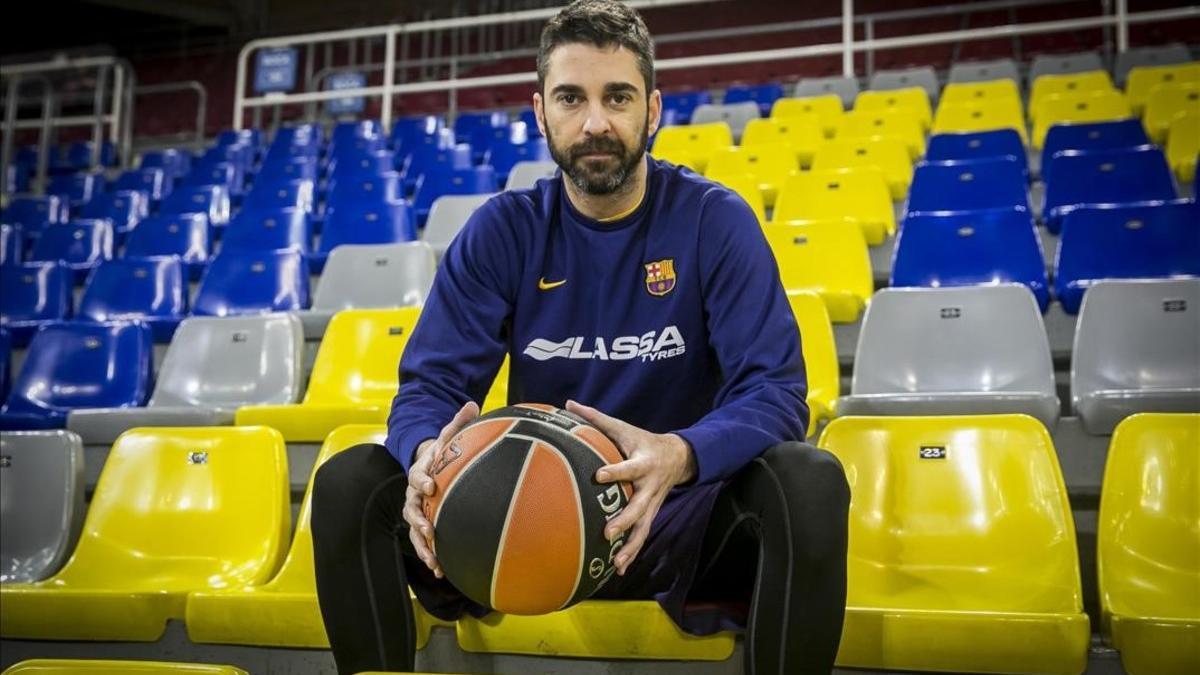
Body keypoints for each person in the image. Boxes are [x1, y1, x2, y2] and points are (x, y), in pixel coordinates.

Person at [311, 1, 850, 673]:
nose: (595, 122)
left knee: (809, 479)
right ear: (541, 112)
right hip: (528, 512)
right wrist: (424, 452)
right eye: (572, 97)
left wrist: (679, 454)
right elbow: (431, 385)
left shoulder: (715, 221)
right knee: (348, 484)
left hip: (675, 516)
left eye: (617, 97)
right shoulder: (504, 230)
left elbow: (775, 393)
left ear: (652, 110)